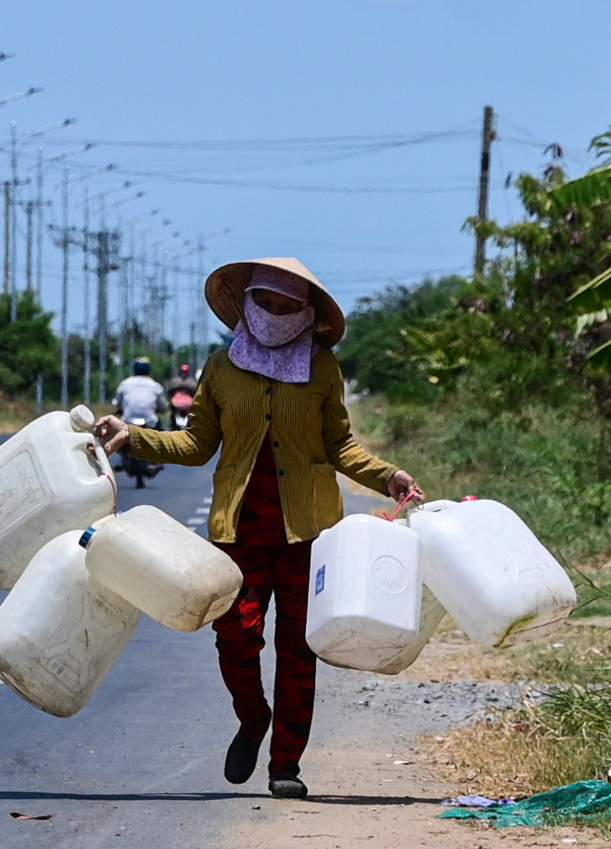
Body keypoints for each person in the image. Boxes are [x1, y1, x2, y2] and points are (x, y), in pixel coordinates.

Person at [93, 257, 422, 800]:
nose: (271, 312)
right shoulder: (221, 368)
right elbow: (197, 445)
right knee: (235, 637)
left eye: (285, 305)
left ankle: (285, 765)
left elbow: (339, 444)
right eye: (263, 301)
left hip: (307, 533)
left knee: (298, 647)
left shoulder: (321, 368)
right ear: (246, 304)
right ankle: (253, 717)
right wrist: (133, 435)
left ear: (306, 313)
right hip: (239, 530)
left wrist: (388, 476)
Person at [112, 356, 167, 429]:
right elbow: (164, 407)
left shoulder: (125, 383)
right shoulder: (155, 386)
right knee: (161, 437)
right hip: (150, 423)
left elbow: (116, 403)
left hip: (128, 422)